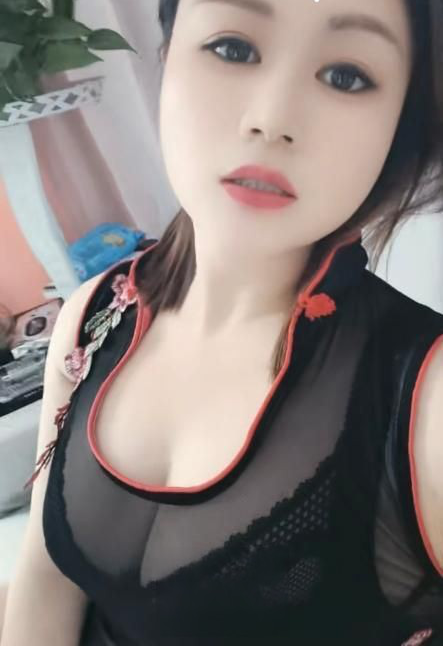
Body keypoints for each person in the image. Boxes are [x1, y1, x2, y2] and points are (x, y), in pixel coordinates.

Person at [2, 0, 443, 644]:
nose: (271, 119)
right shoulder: (92, 317)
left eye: (347, 76)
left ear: (399, 124)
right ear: (167, 57)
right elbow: (47, 579)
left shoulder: (426, 399)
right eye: (233, 48)